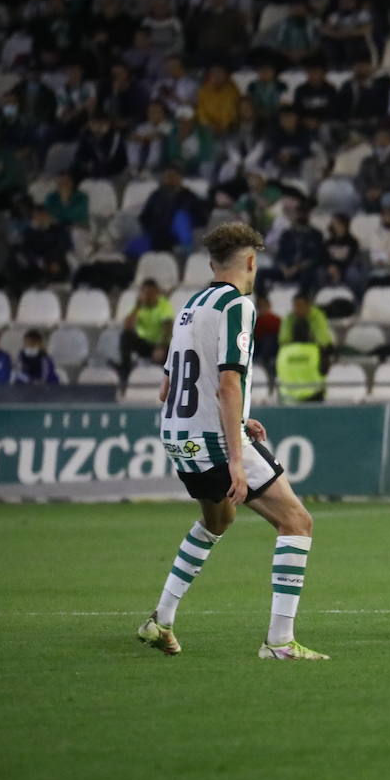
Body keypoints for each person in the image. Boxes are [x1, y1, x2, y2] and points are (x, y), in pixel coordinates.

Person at [137, 221, 327, 661]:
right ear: (251, 261)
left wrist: (241, 417)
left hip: (177, 436)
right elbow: (226, 383)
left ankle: (160, 620)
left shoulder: (189, 305)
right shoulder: (238, 306)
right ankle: (279, 642)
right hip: (214, 440)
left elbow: (167, 390)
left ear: (210, 263)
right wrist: (237, 460)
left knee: (217, 522)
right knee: (297, 522)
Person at [118, 278, 174, 382]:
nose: (148, 296)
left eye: (151, 293)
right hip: (144, 344)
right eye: (145, 292)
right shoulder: (139, 306)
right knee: (125, 336)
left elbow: (167, 328)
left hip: (160, 344)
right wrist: (137, 307)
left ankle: (168, 381)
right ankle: (125, 371)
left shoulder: (164, 305)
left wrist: (161, 347)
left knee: (170, 349)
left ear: (157, 292)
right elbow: (127, 326)